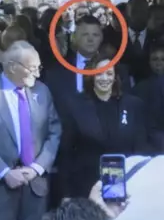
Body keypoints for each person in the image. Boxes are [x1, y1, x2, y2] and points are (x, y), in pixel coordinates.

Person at [0, 40, 62, 220]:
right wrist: (4, 172)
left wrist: (37, 168)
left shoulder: (42, 91)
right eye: (32, 68)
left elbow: (54, 132)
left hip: (34, 191)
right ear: (11, 67)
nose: (38, 73)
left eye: (38, 67)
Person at [58, 54, 151, 199]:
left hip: (126, 186)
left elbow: (140, 149)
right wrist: (65, 194)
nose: (104, 78)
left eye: (109, 73)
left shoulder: (133, 105)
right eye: (99, 73)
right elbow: (66, 153)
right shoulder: (74, 105)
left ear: (115, 77)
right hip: (85, 188)